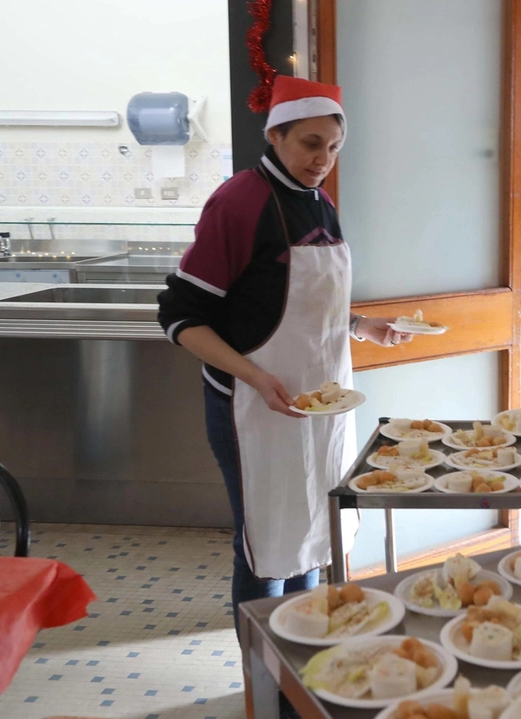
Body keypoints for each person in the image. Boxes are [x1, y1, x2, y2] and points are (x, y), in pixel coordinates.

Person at [158, 76, 407, 629]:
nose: (323, 159)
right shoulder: (240, 202)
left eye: (335, 146)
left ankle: (305, 656)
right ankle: (264, 683)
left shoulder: (318, 202)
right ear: (276, 135)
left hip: (319, 408)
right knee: (269, 548)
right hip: (254, 410)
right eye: (310, 144)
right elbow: (179, 316)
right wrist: (254, 376)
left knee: (316, 536)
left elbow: (292, 304)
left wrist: (364, 325)